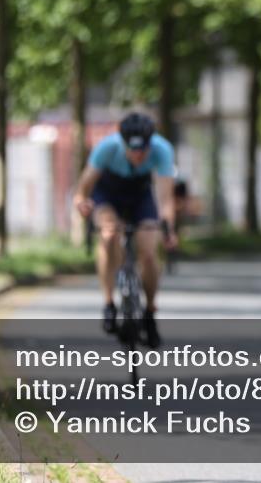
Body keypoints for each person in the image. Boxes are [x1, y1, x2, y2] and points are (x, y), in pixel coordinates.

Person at [73, 112, 178, 348]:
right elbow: (83, 189)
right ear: (123, 143)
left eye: (144, 150)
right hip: (107, 194)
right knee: (109, 235)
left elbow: (165, 199)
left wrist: (168, 228)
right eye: (133, 150)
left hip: (140, 196)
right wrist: (82, 203)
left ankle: (149, 312)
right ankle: (109, 302)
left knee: (149, 251)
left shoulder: (163, 150)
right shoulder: (107, 148)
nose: (139, 155)